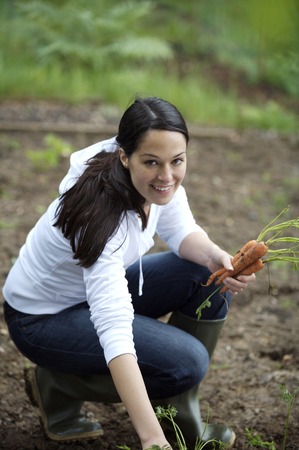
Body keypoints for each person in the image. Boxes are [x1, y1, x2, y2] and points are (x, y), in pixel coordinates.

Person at [3, 96, 255, 450]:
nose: (167, 176)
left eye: (177, 161)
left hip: (85, 296)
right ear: (124, 155)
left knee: (203, 274)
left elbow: (181, 228)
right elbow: (114, 328)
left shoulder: (148, 173)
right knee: (186, 363)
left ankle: (179, 416)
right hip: (41, 319)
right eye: (152, 163)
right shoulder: (97, 219)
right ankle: (58, 383)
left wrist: (216, 256)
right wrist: (152, 442)